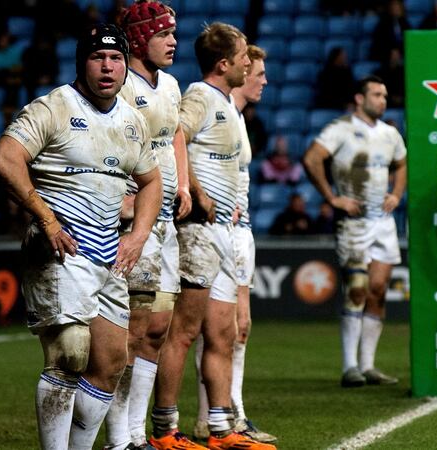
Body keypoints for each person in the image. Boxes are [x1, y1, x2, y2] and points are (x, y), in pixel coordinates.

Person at [0, 23, 163, 449]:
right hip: (59, 251)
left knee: (110, 363)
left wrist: (138, 235)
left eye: (116, 58)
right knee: (70, 352)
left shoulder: (132, 120)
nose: (108, 67)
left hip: (109, 254)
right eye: (98, 58)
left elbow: (152, 181)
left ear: (125, 65)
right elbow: (4, 159)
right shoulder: (52, 107)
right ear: (82, 63)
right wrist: (46, 219)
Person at [148, 22, 275, 450]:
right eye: (242, 58)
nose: (247, 63)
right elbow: (173, 136)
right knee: (182, 332)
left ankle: (222, 429)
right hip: (199, 231)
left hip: (224, 232)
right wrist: (194, 191)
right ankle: (165, 429)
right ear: (223, 64)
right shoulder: (201, 96)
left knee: (223, 333)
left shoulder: (227, 105)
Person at [100, 3, 195, 449]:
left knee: (158, 329)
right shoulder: (120, 85)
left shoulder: (172, 84)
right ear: (139, 39)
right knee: (133, 330)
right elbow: (106, 138)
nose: (173, 41)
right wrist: (121, 197)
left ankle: (139, 434)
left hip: (166, 223)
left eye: (173, 33)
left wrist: (185, 185)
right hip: (132, 222)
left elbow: (174, 133)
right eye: (163, 34)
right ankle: (119, 439)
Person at [192, 43, 277, 444]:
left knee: (234, 329)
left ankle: (224, 414)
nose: (261, 79)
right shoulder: (211, 104)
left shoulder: (235, 115)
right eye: (257, 72)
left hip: (235, 228)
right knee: (219, 327)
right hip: (220, 228)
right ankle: (221, 416)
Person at [303, 75, 407, 388]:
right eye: (377, 94)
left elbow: (402, 164)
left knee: (377, 290)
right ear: (360, 99)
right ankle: (350, 366)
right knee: (357, 287)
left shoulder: (390, 134)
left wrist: (396, 194)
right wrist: (332, 198)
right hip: (354, 222)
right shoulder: (341, 130)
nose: (383, 100)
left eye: (385, 94)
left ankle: (368, 365)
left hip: (383, 223)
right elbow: (312, 158)